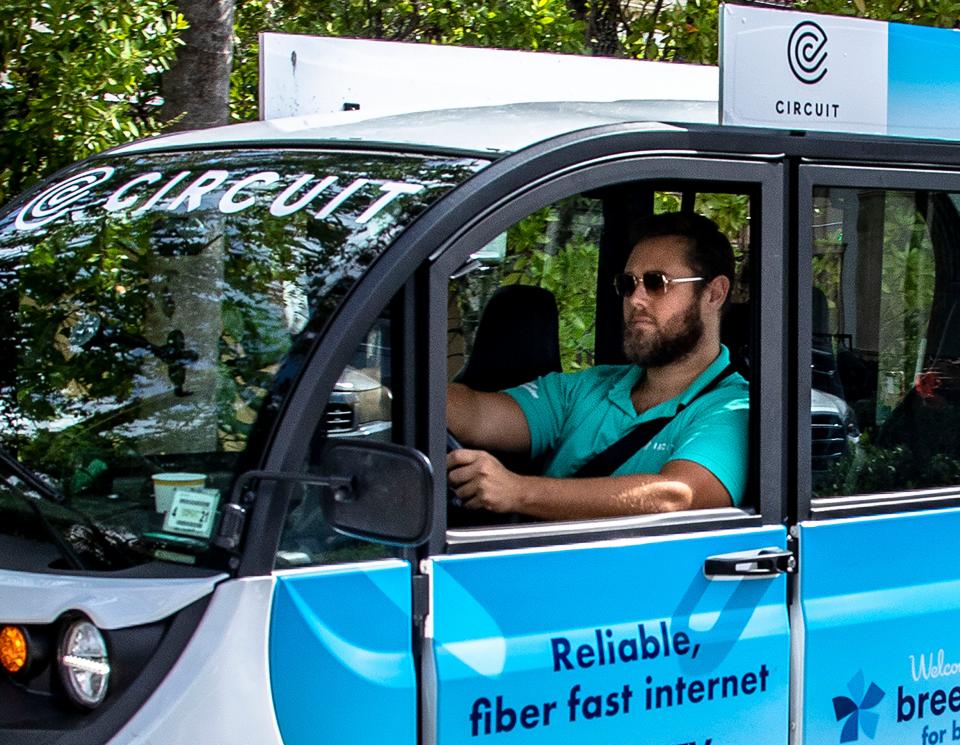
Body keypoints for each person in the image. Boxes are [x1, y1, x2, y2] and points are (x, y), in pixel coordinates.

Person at [446, 211, 749, 521]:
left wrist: (517, 491)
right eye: (628, 284)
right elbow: (475, 414)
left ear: (714, 294)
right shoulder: (590, 387)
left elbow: (678, 495)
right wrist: (399, 393)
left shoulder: (734, 408)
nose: (636, 300)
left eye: (656, 283)